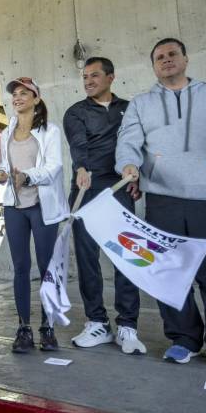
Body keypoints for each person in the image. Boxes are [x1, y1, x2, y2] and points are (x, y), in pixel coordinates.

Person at [116, 38, 206, 370]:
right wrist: (128, 167)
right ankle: (184, 338)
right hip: (163, 199)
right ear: (153, 66)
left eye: (172, 54)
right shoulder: (141, 104)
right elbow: (128, 141)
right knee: (170, 275)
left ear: (186, 59)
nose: (166, 60)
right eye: (159, 57)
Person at [62, 57, 145, 353]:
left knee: (126, 256)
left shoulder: (130, 108)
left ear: (111, 77)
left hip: (120, 188)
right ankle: (96, 322)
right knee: (88, 259)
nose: (88, 81)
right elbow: (78, 146)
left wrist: (137, 174)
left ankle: (127, 326)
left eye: (94, 75)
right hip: (87, 188)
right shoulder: (75, 112)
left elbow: (138, 144)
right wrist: (81, 168)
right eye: (85, 77)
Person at [0, 77, 69, 353]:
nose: (17, 97)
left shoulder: (50, 131)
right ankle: (24, 327)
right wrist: (2, 174)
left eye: (24, 93)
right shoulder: (6, 134)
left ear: (36, 99)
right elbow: (5, 165)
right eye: (15, 94)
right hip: (14, 207)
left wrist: (26, 177)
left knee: (47, 268)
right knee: (20, 268)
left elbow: (54, 167)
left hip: (42, 207)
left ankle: (47, 327)